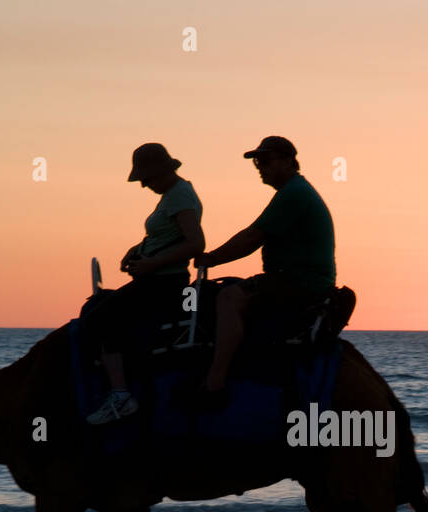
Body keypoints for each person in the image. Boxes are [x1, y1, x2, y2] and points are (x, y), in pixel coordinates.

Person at [193, 136, 335, 405]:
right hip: (296, 279)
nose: (260, 166)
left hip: (299, 282)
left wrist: (210, 259)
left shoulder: (294, 193)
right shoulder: (294, 191)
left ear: (289, 161)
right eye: (257, 161)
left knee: (228, 299)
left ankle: (214, 384)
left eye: (266, 160)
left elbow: (251, 238)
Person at [84, 142, 204, 424]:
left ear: (162, 171)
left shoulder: (179, 197)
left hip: (165, 283)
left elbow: (196, 243)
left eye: (146, 179)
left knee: (100, 321)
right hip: (157, 278)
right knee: (98, 309)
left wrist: (151, 264)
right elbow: (167, 236)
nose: (143, 185)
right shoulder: (172, 195)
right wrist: (139, 249)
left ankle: (120, 394)